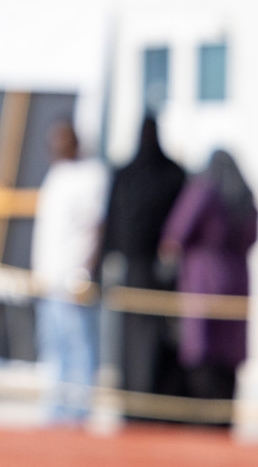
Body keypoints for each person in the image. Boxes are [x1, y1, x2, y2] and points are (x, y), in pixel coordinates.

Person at [99, 115, 186, 407]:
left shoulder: (137, 174)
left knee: (149, 337)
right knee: (140, 338)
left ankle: (147, 401)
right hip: (149, 271)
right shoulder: (170, 173)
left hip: (150, 271)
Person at [161, 149, 257, 406]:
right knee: (227, 354)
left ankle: (200, 415)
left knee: (202, 349)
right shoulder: (244, 195)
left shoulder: (204, 190)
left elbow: (177, 232)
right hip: (237, 279)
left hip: (203, 278)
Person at [30, 121, 109, 426]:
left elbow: (96, 226)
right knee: (54, 343)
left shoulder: (92, 175)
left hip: (74, 276)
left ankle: (79, 408)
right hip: (49, 276)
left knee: (78, 342)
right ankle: (57, 405)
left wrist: (85, 269)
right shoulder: (57, 174)